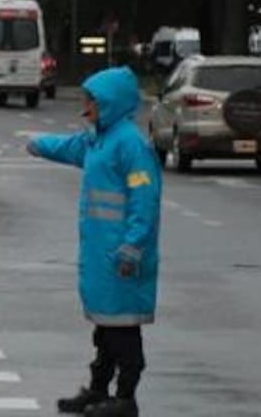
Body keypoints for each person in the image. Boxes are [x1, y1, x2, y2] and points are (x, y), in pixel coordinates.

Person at [26, 67, 162, 417]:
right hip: (103, 253)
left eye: (91, 100)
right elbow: (71, 148)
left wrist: (133, 246)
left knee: (123, 330)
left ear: (109, 103)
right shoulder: (99, 139)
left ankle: (125, 398)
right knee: (105, 328)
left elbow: (144, 199)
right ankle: (99, 390)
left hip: (123, 254)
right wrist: (38, 144)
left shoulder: (130, 145)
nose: (85, 105)